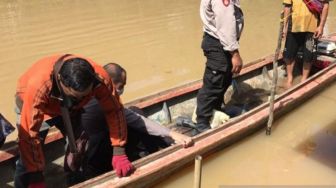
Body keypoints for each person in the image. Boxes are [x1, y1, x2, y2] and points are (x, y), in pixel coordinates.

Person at [14, 54, 133, 188]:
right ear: (60, 80)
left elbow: (114, 110)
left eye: (85, 95)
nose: (82, 98)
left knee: (78, 146)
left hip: (69, 109)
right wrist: (36, 178)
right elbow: (29, 135)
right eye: (75, 96)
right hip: (34, 105)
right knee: (26, 158)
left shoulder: (100, 78)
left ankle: (74, 181)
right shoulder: (39, 85)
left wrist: (119, 150)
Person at [75, 63, 193, 178]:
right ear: (111, 83)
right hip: (97, 159)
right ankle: (158, 152)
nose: (122, 90)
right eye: (121, 86)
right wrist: (171, 133)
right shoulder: (103, 102)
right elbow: (136, 120)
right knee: (137, 117)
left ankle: (157, 147)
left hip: (86, 153)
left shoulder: (87, 95)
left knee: (133, 112)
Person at [196, 0, 244, 131]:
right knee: (214, 84)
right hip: (219, 43)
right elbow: (226, 24)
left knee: (223, 79)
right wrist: (234, 53)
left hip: (221, 42)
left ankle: (215, 111)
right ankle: (202, 123)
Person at [283, 0, 330, 88]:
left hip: (312, 28)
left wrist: (321, 26)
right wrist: (284, 27)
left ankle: (304, 79)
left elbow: (325, 5)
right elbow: (287, 7)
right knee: (288, 54)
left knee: (309, 55)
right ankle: (290, 78)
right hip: (293, 26)